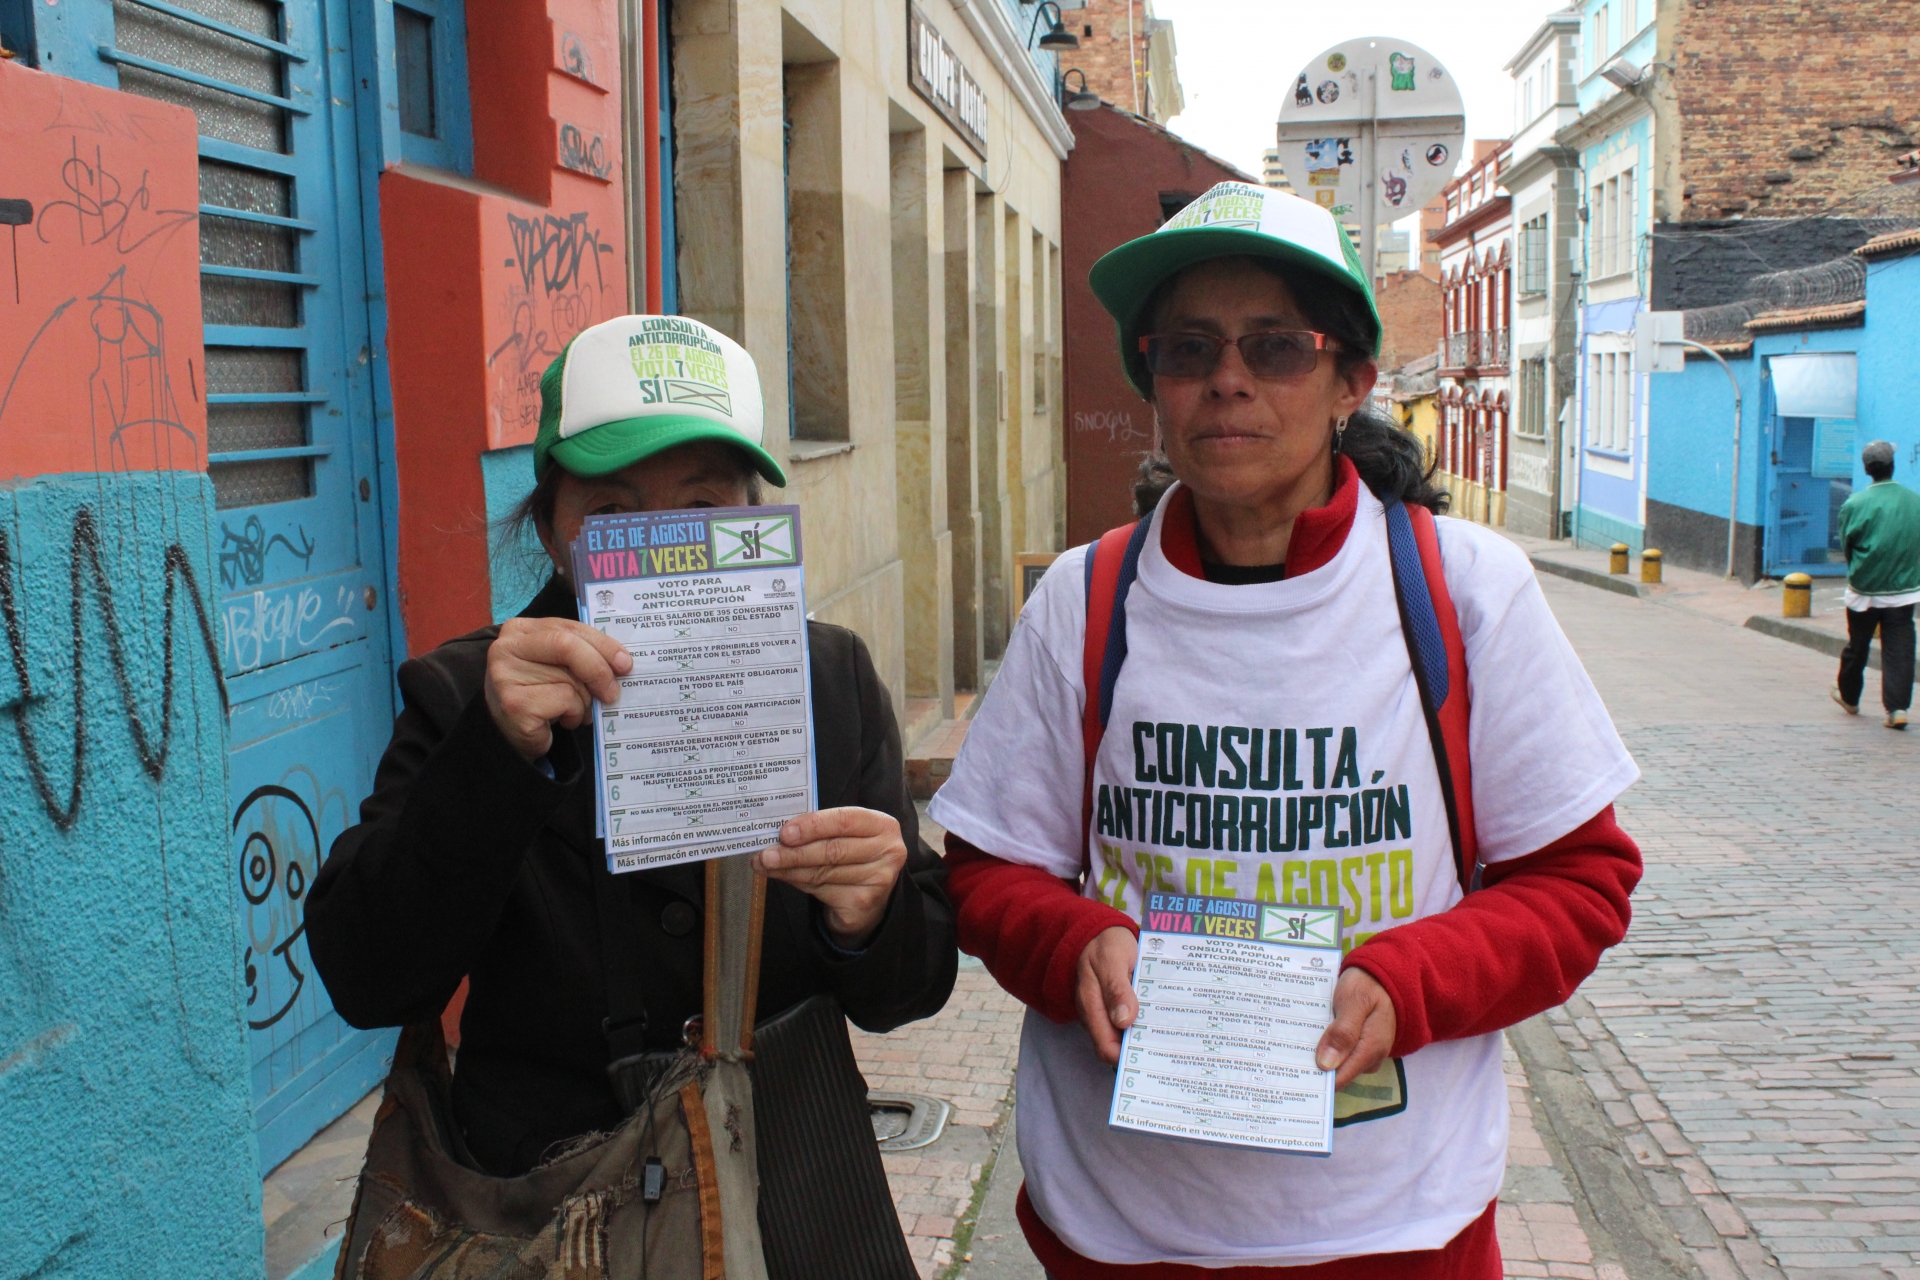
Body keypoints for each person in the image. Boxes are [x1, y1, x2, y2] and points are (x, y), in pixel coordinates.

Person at [929, 182, 1643, 1278]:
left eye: (1275, 347)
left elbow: (1580, 881)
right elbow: (988, 870)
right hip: (1123, 1224)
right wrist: (1074, 945)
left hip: (1390, 1223)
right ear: (1154, 384)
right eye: (1189, 350)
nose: (1228, 379)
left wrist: (1410, 980)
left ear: (1352, 380)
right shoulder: (1085, 598)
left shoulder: (1463, 589)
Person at [307, 314, 956, 1177]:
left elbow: (911, 988)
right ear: (551, 532)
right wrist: (494, 755)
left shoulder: (830, 680)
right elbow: (369, 978)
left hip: (788, 1181)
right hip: (555, 1199)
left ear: (752, 516)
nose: (659, 547)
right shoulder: (465, 695)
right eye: (611, 512)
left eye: (701, 507)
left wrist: (871, 916)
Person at [1832, 439, 1920, 730]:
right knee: (1900, 650)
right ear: (1892, 466)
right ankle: (1897, 709)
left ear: (1867, 469)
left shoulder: (1854, 504)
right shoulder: (1914, 501)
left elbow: (1847, 545)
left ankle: (1849, 697)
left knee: (1858, 646)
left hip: (1865, 590)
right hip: (1903, 590)